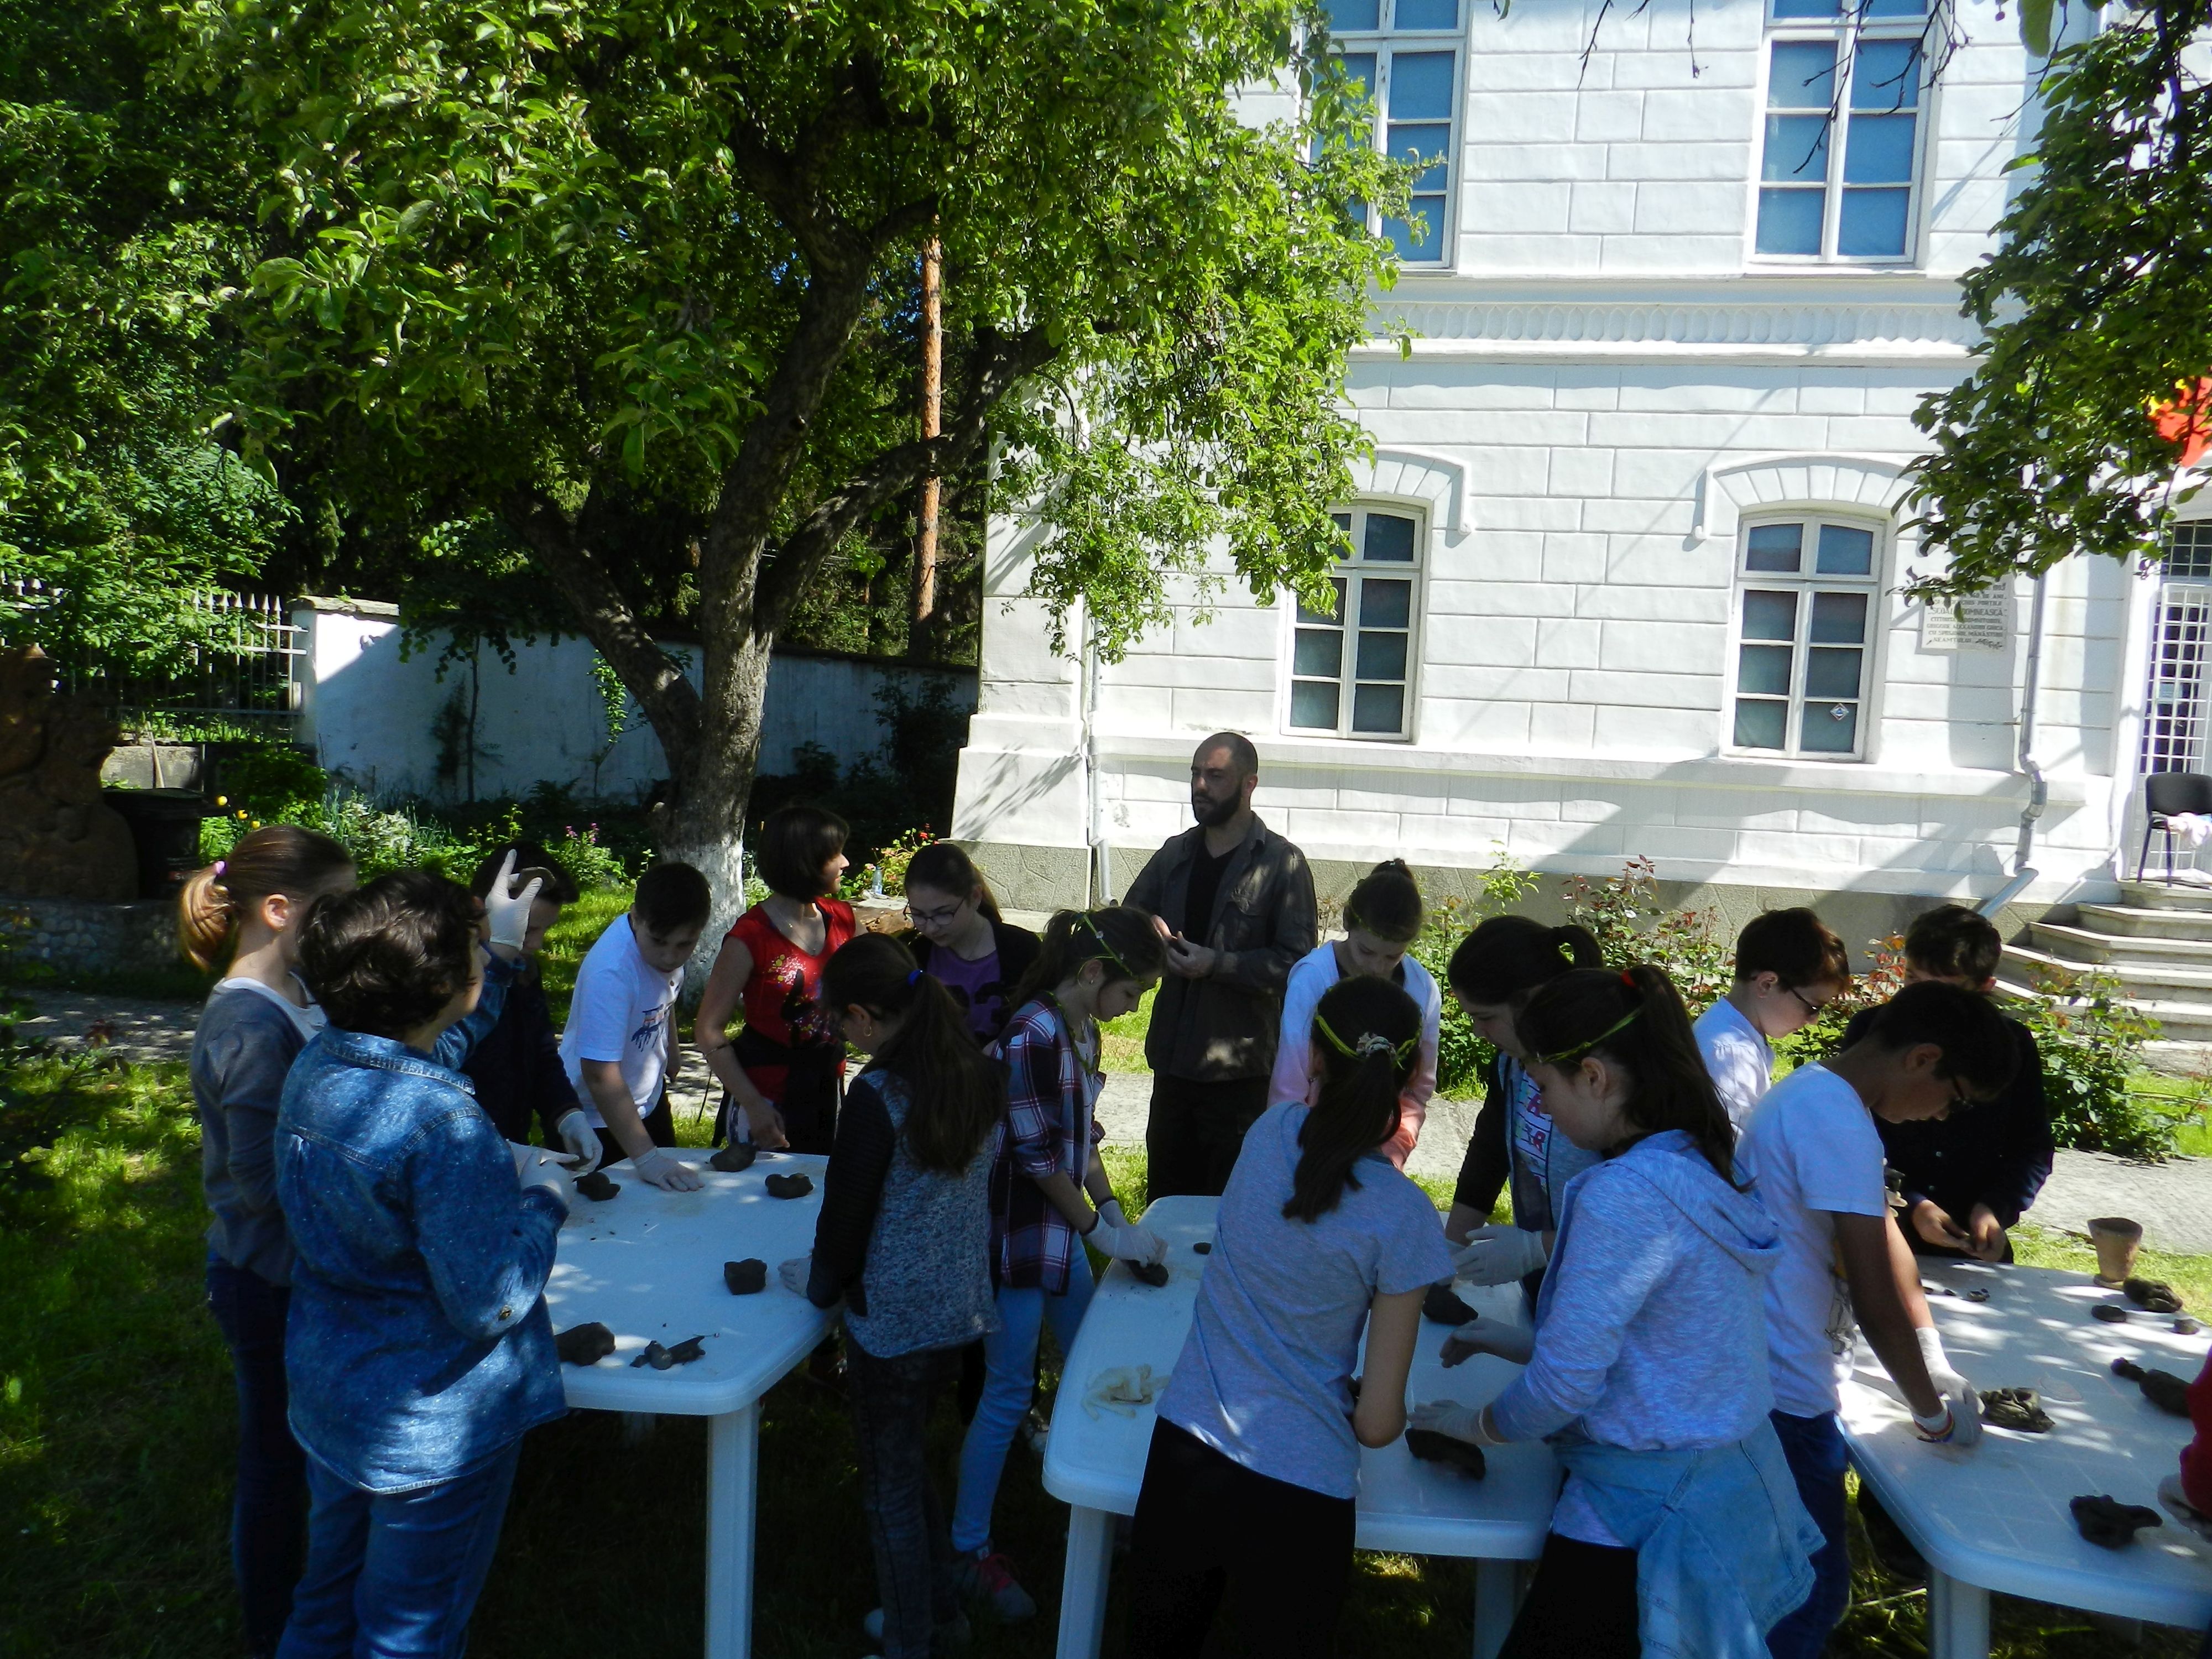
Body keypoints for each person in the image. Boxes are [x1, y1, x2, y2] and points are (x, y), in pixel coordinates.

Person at [1410, 967, 1822, 1659]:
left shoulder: (1622, 1195)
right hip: (1723, 1475)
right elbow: (1670, 1344)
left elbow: (1563, 1389)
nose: (1542, 1108)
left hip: (1643, 1507)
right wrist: (1518, 1343)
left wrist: (1473, 1425)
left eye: (1543, 1088)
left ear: (1595, 1078)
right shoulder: (1694, 1160)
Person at [274, 868, 565, 1658]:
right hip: (430, 1430)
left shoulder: (322, 1065)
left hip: (336, 1396)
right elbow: (489, 1300)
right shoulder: (445, 1125)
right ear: (440, 984)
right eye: (476, 947)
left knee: (325, 1602)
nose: (484, 953)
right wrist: (544, 1202)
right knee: (409, 1634)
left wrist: (499, 957)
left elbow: (428, 1047)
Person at [1128, 975, 1451, 1658]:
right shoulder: (1405, 1217)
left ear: (1312, 1056)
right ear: (1410, 1076)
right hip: (1302, 1492)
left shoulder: (1267, 1133)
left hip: (1186, 1452)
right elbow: (1377, 1424)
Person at [1740, 980, 2014, 1659]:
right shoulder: (1833, 1119)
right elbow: (1871, 1292)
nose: (1943, 1117)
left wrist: (1930, 1352)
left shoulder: (1825, 1098)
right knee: (1807, 1596)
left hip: (1777, 1375)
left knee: (1786, 1587)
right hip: (1783, 1391)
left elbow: (1886, 1239)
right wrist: (1932, 1415)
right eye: (1953, 1098)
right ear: (1923, 1058)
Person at [779, 934, 1004, 1659]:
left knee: (889, 1492)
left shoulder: (877, 1097)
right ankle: (941, 1612)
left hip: (892, 1325)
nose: (843, 1038)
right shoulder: (979, 1073)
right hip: (959, 1309)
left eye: (841, 1024)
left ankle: (911, 1643)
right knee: (908, 1467)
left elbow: (844, 1221)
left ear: (864, 1017)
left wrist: (819, 1284)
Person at [950, 907, 1168, 1622]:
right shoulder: (1031, 1036)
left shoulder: (1082, 1029)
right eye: (1132, 992)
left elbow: (1080, 1142)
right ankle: (968, 1550)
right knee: (1009, 1390)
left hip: (1060, 1233)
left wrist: (1112, 1214)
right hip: (1016, 1238)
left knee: (1090, 1365)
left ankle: (1105, 1507)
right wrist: (1098, 1232)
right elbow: (1040, 1159)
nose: (1132, 1008)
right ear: (1094, 972)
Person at [180, 826, 357, 1659]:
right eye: (336, 907)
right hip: (266, 1282)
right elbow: (261, 1184)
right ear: (280, 910)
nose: (348, 923)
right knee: (275, 1463)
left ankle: (311, 1609)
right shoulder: (248, 1024)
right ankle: (270, 1630)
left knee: (301, 1456)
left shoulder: (300, 992)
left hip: (300, 1272)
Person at [1121, 733, 1318, 1198]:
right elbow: (1126, 921)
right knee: (1166, 1203)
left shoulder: (1282, 864)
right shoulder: (1175, 853)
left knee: (1228, 1207)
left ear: (1249, 784)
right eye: (1195, 774)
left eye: (1215, 776)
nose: (1200, 786)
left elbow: (1296, 965)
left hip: (1239, 1075)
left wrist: (1219, 964)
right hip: (1172, 1063)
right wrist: (1148, 931)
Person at [1848, 904, 2053, 1264]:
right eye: (1913, 980)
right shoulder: (1873, 1033)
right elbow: (1849, 1140)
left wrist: (1995, 1208)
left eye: (1943, 993)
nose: (1920, 1003)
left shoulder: (2010, 1046)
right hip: (1883, 1225)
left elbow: (2031, 1146)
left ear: (1984, 988)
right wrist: (1912, 1203)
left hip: (1971, 1238)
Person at [1441, 917, 1605, 1305]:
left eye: (1486, 1017)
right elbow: (1489, 1155)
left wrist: (1536, 1249)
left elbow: (1635, 1221)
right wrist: (1448, 1252)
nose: (1478, 1032)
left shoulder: (1603, 1077)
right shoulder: (1511, 1063)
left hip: (1600, 1295)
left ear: (1531, 999)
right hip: (1548, 1293)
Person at [696, 805, 857, 1154]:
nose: (846, 862)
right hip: (766, 1099)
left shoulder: (843, 918)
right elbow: (708, 1030)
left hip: (827, 1087)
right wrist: (753, 1104)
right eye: (835, 854)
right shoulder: (750, 937)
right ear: (804, 861)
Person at [1266, 858, 1441, 1168]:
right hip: (1308, 1145)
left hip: (1380, 1152)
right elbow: (1289, 1085)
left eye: (1393, 956)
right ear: (1347, 921)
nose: (1377, 968)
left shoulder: (1422, 988)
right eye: (1367, 951)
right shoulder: (1313, 978)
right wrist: (1294, 1159)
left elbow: (1419, 1087)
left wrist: (1392, 1153)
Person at [559, 859, 712, 1190]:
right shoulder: (611, 973)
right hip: (596, 1117)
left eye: (684, 945)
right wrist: (647, 1159)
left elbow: (663, 996)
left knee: (672, 1199)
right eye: (659, 942)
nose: (670, 957)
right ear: (636, 916)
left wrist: (671, 1050)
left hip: (647, 1099)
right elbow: (599, 1074)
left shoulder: (657, 940)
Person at [460, 843, 601, 1171]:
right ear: (486, 911)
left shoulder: (524, 971)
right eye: (528, 930)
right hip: (462, 1151)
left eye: (545, 930)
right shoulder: (447, 978)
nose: (536, 944)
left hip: (511, 1140)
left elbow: (540, 1051)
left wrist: (567, 1113)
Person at [1693, 907, 1851, 1128]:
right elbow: (1736, 1145)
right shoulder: (1731, 1054)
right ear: (1767, 984)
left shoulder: (1731, 1031)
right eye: (1813, 1007)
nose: (1814, 1020)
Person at [901, 841, 1040, 1047]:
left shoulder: (1022, 950)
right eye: (918, 915)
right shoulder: (913, 956)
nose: (930, 928)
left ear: (975, 897)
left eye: (943, 914)